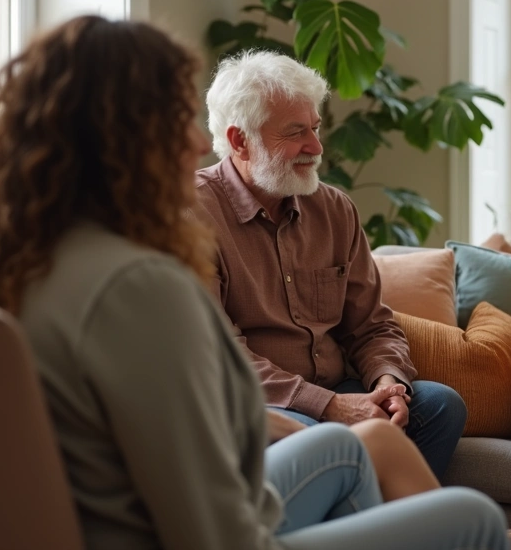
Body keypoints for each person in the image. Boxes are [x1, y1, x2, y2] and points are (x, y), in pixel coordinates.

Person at [0, 15, 511, 550]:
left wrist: (374, 389)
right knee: (476, 517)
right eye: (174, 120)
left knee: (353, 443)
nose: (192, 143)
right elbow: (212, 523)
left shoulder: (14, 263)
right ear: (121, 142)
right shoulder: (140, 284)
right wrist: (323, 411)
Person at [194, 50, 465, 479]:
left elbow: (372, 324)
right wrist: (331, 407)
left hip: (342, 390)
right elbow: (219, 355)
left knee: (439, 407)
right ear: (241, 140)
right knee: (322, 439)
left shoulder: (335, 208)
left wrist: (386, 382)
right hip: (267, 405)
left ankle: (393, 525)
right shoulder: (192, 215)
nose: (316, 148)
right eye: (296, 132)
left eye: (316, 129)